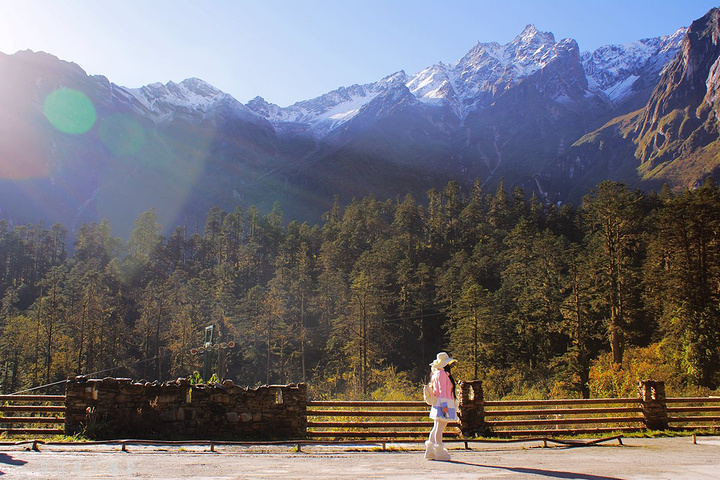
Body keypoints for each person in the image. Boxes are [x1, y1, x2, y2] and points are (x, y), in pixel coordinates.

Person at [425, 352, 457, 461]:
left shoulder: (436, 374)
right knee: (440, 428)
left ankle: (430, 451)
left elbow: (437, 391)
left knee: (436, 427)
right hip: (444, 403)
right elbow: (443, 391)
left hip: (438, 403)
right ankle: (439, 452)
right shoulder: (442, 374)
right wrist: (445, 407)